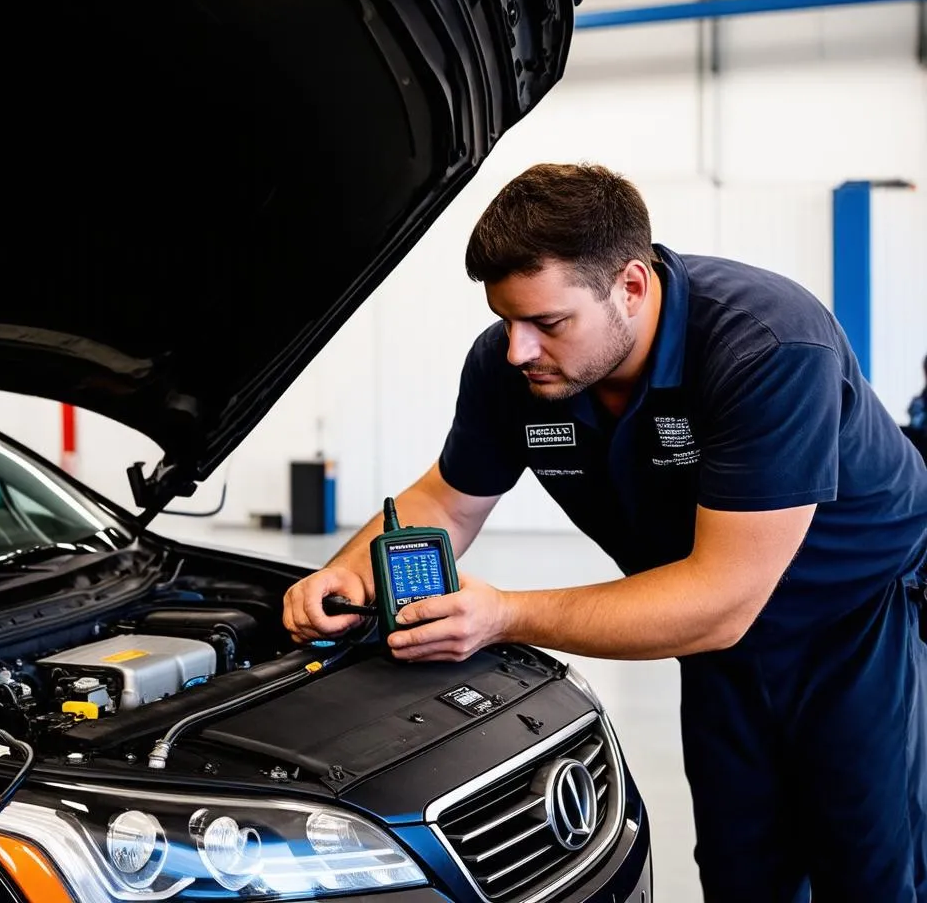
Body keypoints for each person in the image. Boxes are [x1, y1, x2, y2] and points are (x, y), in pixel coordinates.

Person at [282, 163, 927, 903]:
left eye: (548, 323)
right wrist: (347, 576)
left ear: (630, 284)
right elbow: (447, 502)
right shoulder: (512, 369)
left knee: (870, 866)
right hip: (713, 634)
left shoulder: (766, 346)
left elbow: (721, 600)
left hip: (852, 621)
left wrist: (506, 614)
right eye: (506, 321)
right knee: (743, 866)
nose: (519, 348)